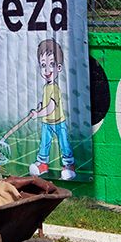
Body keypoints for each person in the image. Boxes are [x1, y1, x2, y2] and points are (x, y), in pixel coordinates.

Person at [28, 39, 76, 181]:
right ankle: (42, 164)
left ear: (59, 68)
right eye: (43, 65)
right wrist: (39, 109)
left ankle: (69, 165)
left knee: (64, 143)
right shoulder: (46, 87)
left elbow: (51, 107)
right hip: (47, 122)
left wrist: (38, 114)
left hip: (58, 121)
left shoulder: (54, 87)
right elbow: (45, 104)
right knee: (44, 143)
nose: (47, 70)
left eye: (52, 65)